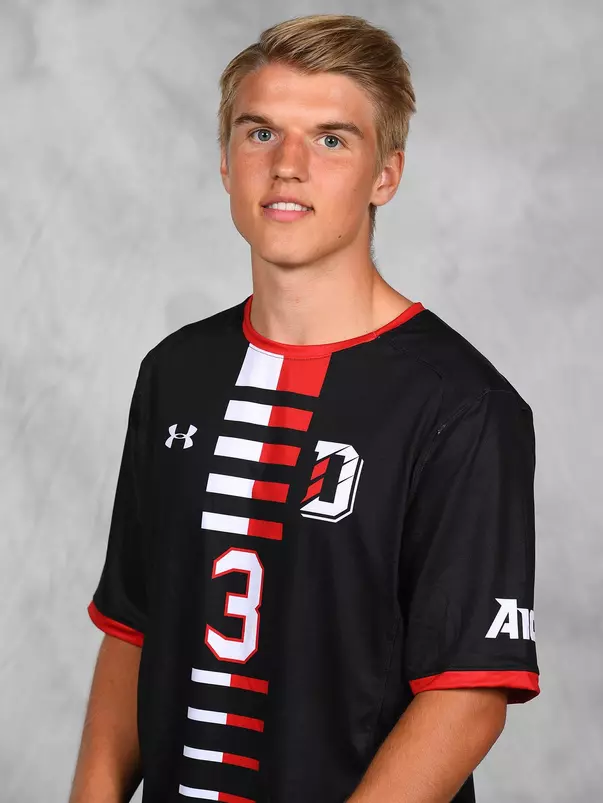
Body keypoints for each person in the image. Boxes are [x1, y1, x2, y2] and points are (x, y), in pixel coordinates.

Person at [69, 14, 540, 803]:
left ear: (385, 175)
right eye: (260, 133)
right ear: (225, 162)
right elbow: (133, 626)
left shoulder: (463, 406)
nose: (287, 166)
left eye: (330, 139)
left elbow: (466, 697)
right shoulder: (175, 373)